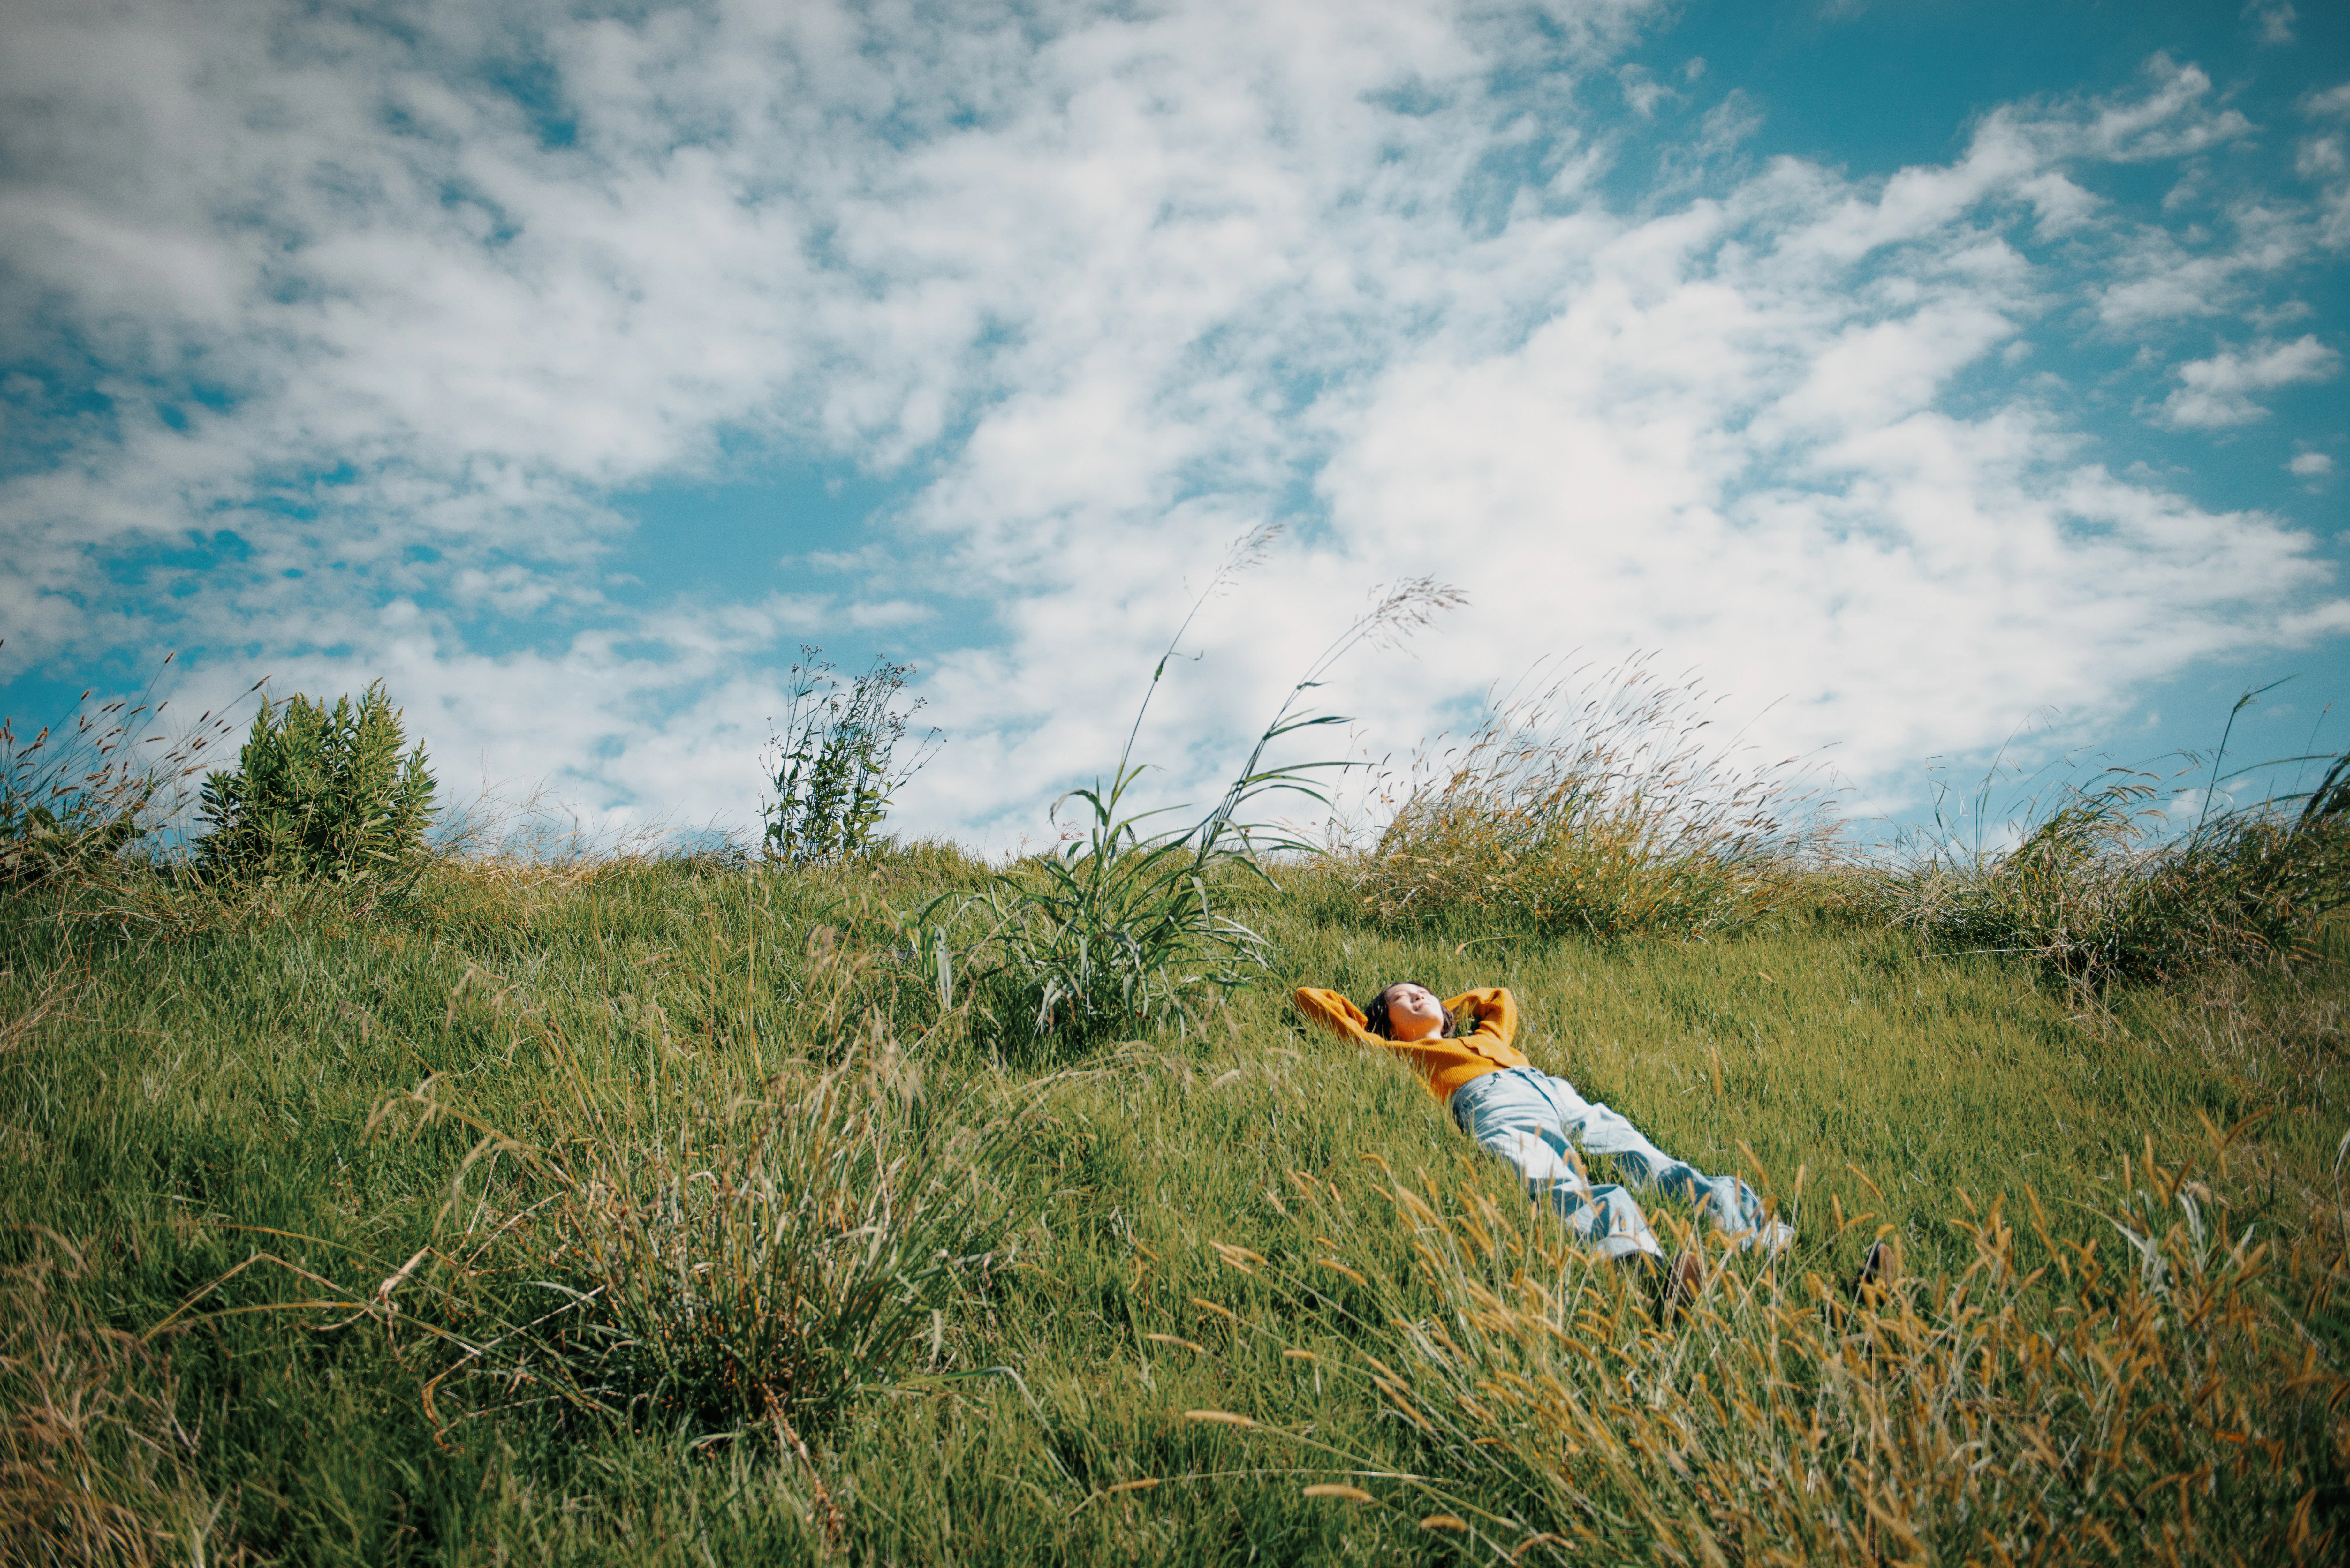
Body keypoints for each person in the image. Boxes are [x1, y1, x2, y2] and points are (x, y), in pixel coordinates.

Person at [1292, 981, 1794, 1272]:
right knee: (1550, 1177)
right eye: (1402, 998)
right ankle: (1644, 1269)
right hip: (1494, 1105)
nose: (1417, 997)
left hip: (1555, 1091)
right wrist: (1370, 1023)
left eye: (1424, 992)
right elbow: (1311, 999)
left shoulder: (1487, 1034)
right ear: (1386, 1021)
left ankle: (1762, 1239)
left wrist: (1453, 1008)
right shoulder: (1399, 1052)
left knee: (1650, 1161)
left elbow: (1499, 998)